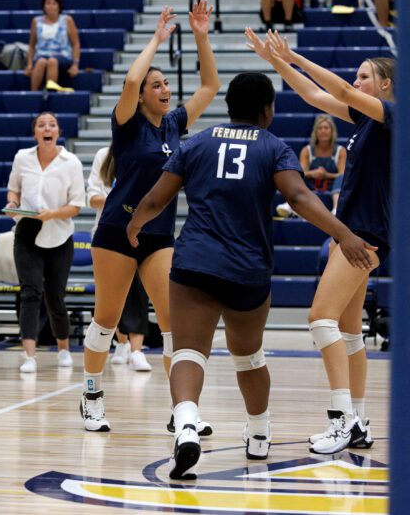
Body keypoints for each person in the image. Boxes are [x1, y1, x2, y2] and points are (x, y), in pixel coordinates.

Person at [125, 72, 375, 479]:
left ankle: (186, 423)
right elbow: (297, 196)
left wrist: (135, 224)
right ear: (267, 110)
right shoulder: (274, 147)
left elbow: (156, 197)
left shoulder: (199, 142)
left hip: (194, 263)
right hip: (247, 268)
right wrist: (342, 234)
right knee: (249, 357)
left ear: (229, 106)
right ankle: (259, 434)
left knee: (189, 352)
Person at [246, 29, 393, 454]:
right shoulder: (366, 120)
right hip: (360, 229)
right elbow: (313, 96)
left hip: (365, 231)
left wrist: (297, 55)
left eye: (365, 76)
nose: (356, 81)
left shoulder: (392, 112)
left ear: (384, 84)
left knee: (319, 319)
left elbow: (340, 89)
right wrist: (276, 60)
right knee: (349, 331)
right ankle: (359, 422)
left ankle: (342, 419)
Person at [80, 1, 220, 433]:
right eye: (156, 85)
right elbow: (130, 78)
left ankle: (183, 412)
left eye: (166, 85)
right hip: (115, 232)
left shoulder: (175, 124)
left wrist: (199, 34)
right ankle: (91, 395)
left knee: (174, 324)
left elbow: (211, 86)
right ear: (141, 96)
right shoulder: (126, 122)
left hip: (159, 236)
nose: (164, 90)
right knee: (107, 319)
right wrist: (157, 39)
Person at [5, 112, 86, 373]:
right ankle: (29, 355)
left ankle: (63, 348)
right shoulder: (22, 157)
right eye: (41, 125)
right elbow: (14, 189)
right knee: (30, 293)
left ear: (58, 132)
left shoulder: (70, 162)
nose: (46, 128)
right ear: (35, 133)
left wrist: (53, 214)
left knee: (55, 297)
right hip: (27, 230)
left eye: (51, 125)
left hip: (59, 234)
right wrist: (13, 203)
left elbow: (76, 205)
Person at [86, 146, 152, 370]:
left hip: (141, 232)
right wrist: (119, 203)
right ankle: (121, 342)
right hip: (108, 232)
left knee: (138, 294)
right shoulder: (103, 154)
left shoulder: (147, 152)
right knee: (110, 297)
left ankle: (137, 351)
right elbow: (92, 197)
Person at [278, 114, 346, 218]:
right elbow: (302, 171)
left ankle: (336, 208)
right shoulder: (307, 150)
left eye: (326, 128)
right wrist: (313, 173)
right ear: (315, 132)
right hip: (312, 185)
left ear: (332, 131)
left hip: (333, 186)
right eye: (320, 128)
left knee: (342, 179)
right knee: (298, 176)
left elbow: (342, 174)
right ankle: (289, 205)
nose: (323, 131)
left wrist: (326, 175)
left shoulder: (340, 151)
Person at [25, 0, 81, 91]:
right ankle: (33, 94)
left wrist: (75, 64)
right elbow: (32, 45)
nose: (51, 6)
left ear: (59, 6)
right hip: (41, 55)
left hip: (62, 55)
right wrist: (29, 65)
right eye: (48, 3)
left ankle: (49, 93)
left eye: (54, 3)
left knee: (52, 61)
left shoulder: (67, 20)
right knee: (41, 62)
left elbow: (75, 44)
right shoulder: (36, 21)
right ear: (44, 6)